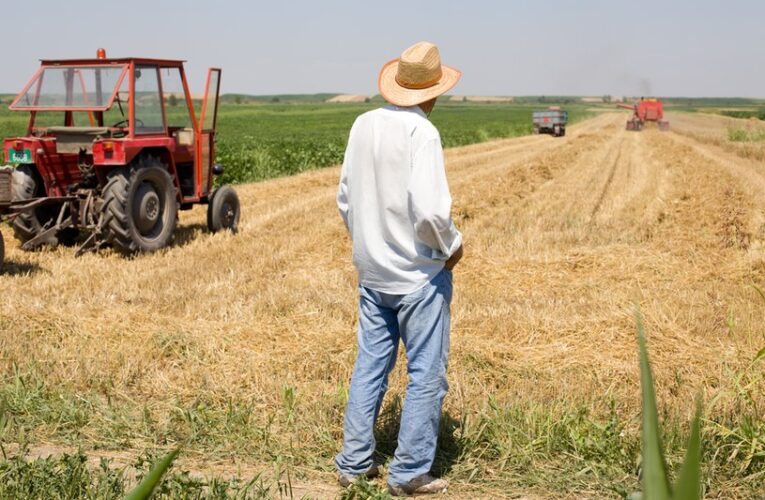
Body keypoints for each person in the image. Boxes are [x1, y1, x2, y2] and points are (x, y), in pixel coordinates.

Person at [334, 41, 464, 496]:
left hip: (372, 274)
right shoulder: (422, 133)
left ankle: (353, 464)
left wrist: (371, 243)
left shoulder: (362, 123)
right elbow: (430, 213)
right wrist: (452, 246)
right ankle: (409, 472)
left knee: (370, 366)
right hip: (418, 278)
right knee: (426, 373)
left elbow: (346, 199)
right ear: (435, 90)